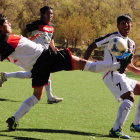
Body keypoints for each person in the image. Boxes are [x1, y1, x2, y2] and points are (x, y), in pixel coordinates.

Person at [0, 13, 129, 131]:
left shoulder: (8, 40)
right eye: (7, 23)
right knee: (83, 64)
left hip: (37, 67)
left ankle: (14, 119)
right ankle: (118, 66)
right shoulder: (6, 39)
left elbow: (16, 48)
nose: (10, 24)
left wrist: (29, 40)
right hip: (46, 57)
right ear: (0, 27)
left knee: (36, 96)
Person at [84, 14, 140, 139]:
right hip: (111, 73)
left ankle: (136, 124)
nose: (125, 25)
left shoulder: (131, 43)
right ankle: (116, 130)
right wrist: (84, 62)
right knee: (129, 97)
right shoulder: (113, 37)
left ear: (131, 25)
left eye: (128, 23)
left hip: (122, 75)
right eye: (122, 23)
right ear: (118, 26)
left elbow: (128, 65)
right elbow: (93, 45)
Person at [0, 6, 63, 104]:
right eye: (48, 13)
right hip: (34, 52)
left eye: (52, 13)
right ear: (42, 15)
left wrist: (54, 47)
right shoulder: (37, 24)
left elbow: (51, 38)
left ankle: (6, 76)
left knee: (34, 74)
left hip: (45, 52)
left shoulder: (52, 26)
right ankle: (50, 97)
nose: (50, 15)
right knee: (42, 74)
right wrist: (26, 40)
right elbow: (25, 30)